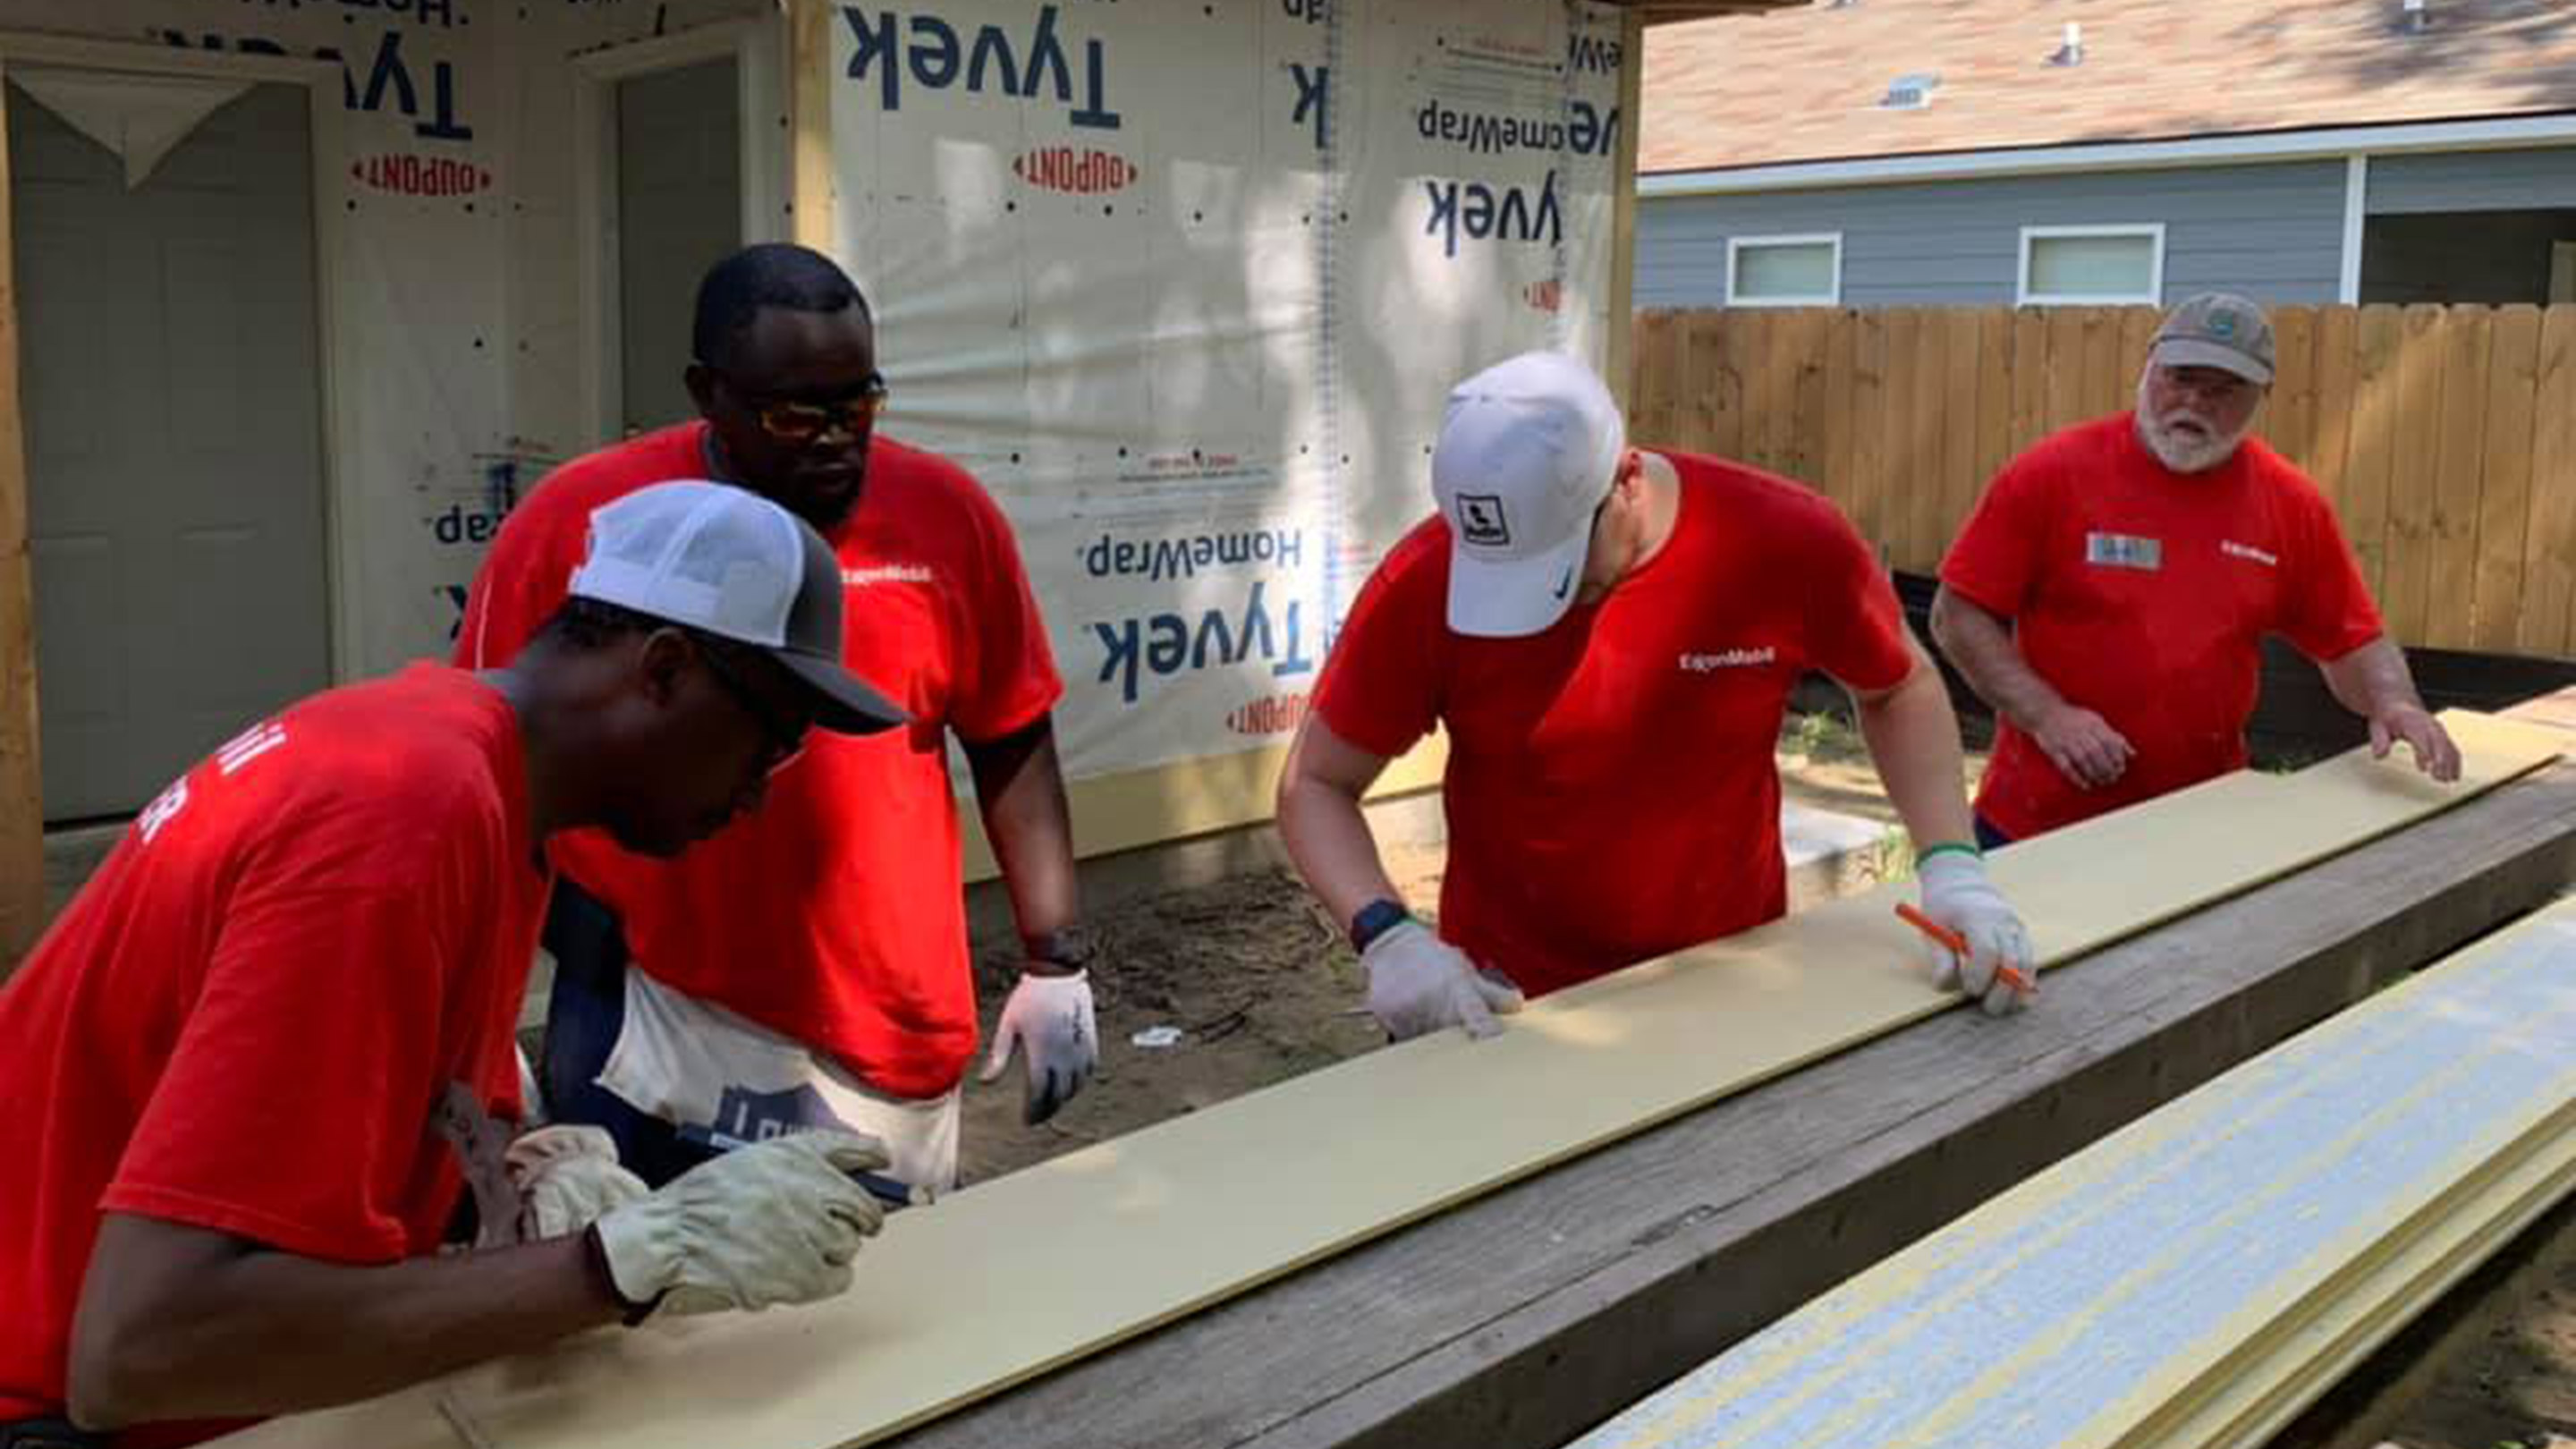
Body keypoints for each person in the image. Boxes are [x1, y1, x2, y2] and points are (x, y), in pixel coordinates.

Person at [0, 482, 907, 1448]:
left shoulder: (473, 786)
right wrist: (615, 1266)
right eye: (769, 745)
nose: (757, 796)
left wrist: (498, 1198)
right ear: (664, 670)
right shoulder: (402, 818)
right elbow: (140, 1350)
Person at [457, 243, 1089, 1192]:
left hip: (878, 1007)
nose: (837, 437)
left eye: (859, 404)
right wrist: (479, 1010)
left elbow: (1012, 736)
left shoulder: (945, 516)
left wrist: (1055, 958)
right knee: (630, 1293)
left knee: (874, 1303)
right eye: (797, 413)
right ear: (708, 392)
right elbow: (498, 760)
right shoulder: (583, 520)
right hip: (644, 989)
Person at [1277, 351, 2037, 1039]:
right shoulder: (1425, 580)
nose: (1554, 601)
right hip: (1503, 1004)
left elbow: (1897, 686)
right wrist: (1388, 934)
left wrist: (1952, 867)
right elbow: (1315, 783)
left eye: (1567, 568)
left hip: (1732, 975)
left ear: (1628, 480)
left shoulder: (1780, 539)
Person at [1929, 292, 2461, 849]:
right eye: (2180, 378)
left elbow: (2352, 640)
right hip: (2035, 823)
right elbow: (1957, 614)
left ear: (2261, 397)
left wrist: (2394, 702)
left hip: (2202, 828)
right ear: (2148, 369)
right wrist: (2049, 717)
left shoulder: (2291, 505)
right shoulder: (2053, 474)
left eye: (2224, 390)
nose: (2195, 402)